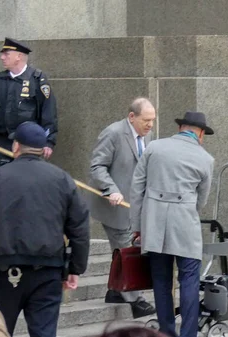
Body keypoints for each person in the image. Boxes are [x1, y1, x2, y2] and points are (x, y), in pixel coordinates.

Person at [0, 122, 89, 337]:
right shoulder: (62, 179)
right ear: (42, 149)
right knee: (44, 332)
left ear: (16, 146)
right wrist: (75, 268)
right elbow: (79, 227)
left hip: (6, 272)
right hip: (48, 271)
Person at [129, 112, 215, 337]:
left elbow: (137, 188)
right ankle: (188, 334)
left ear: (181, 128)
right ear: (201, 133)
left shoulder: (154, 148)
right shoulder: (206, 158)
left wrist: (138, 226)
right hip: (185, 223)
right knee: (189, 280)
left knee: (161, 280)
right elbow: (201, 200)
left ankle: (165, 332)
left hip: (154, 224)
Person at [88, 97, 156, 317]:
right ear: (132, 117)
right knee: (127, 248)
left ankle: (115, 291)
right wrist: (111, 189)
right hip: (114, 204)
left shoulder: (148, 136)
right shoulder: (113, 133)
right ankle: (137, 300)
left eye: (152, 121)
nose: (150, 125)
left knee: (121, 250)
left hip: (135, 205)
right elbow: (97, 166)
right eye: (146, 120)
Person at [0, 38, 58, 170]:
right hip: (1, 142)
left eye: (6, 54)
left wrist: (48, 141)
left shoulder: (37, 80)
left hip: (28, 144)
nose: (2, 57)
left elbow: (48, 113)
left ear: (19, 56)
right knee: (1, 181)